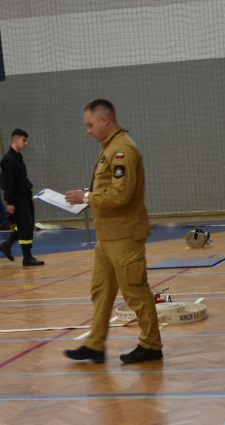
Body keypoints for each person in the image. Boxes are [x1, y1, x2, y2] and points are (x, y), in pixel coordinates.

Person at [63, 99, 163, 364]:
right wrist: (89, 196)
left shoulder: (123, 151)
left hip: (125, 235)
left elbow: (121, 194)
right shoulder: (110, 148)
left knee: (135, 291)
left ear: (104, 120)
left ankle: (151, 345)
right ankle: (95, 345)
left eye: (90, 124)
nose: (88, 130)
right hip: (107, 237)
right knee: (101, 289)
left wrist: (86, 197)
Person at [0, 129, 43, 266]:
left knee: (25, 225)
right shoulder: (9, 160)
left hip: (24, 197)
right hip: (17, 199)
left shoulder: (17, 157)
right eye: (24, 140)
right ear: (15, 140)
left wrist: (29, 196)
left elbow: (23, 180)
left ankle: (7, 245)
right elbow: (9, 183)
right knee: (26, 227)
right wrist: (10, 202)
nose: (26, 143)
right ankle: (27, 257)